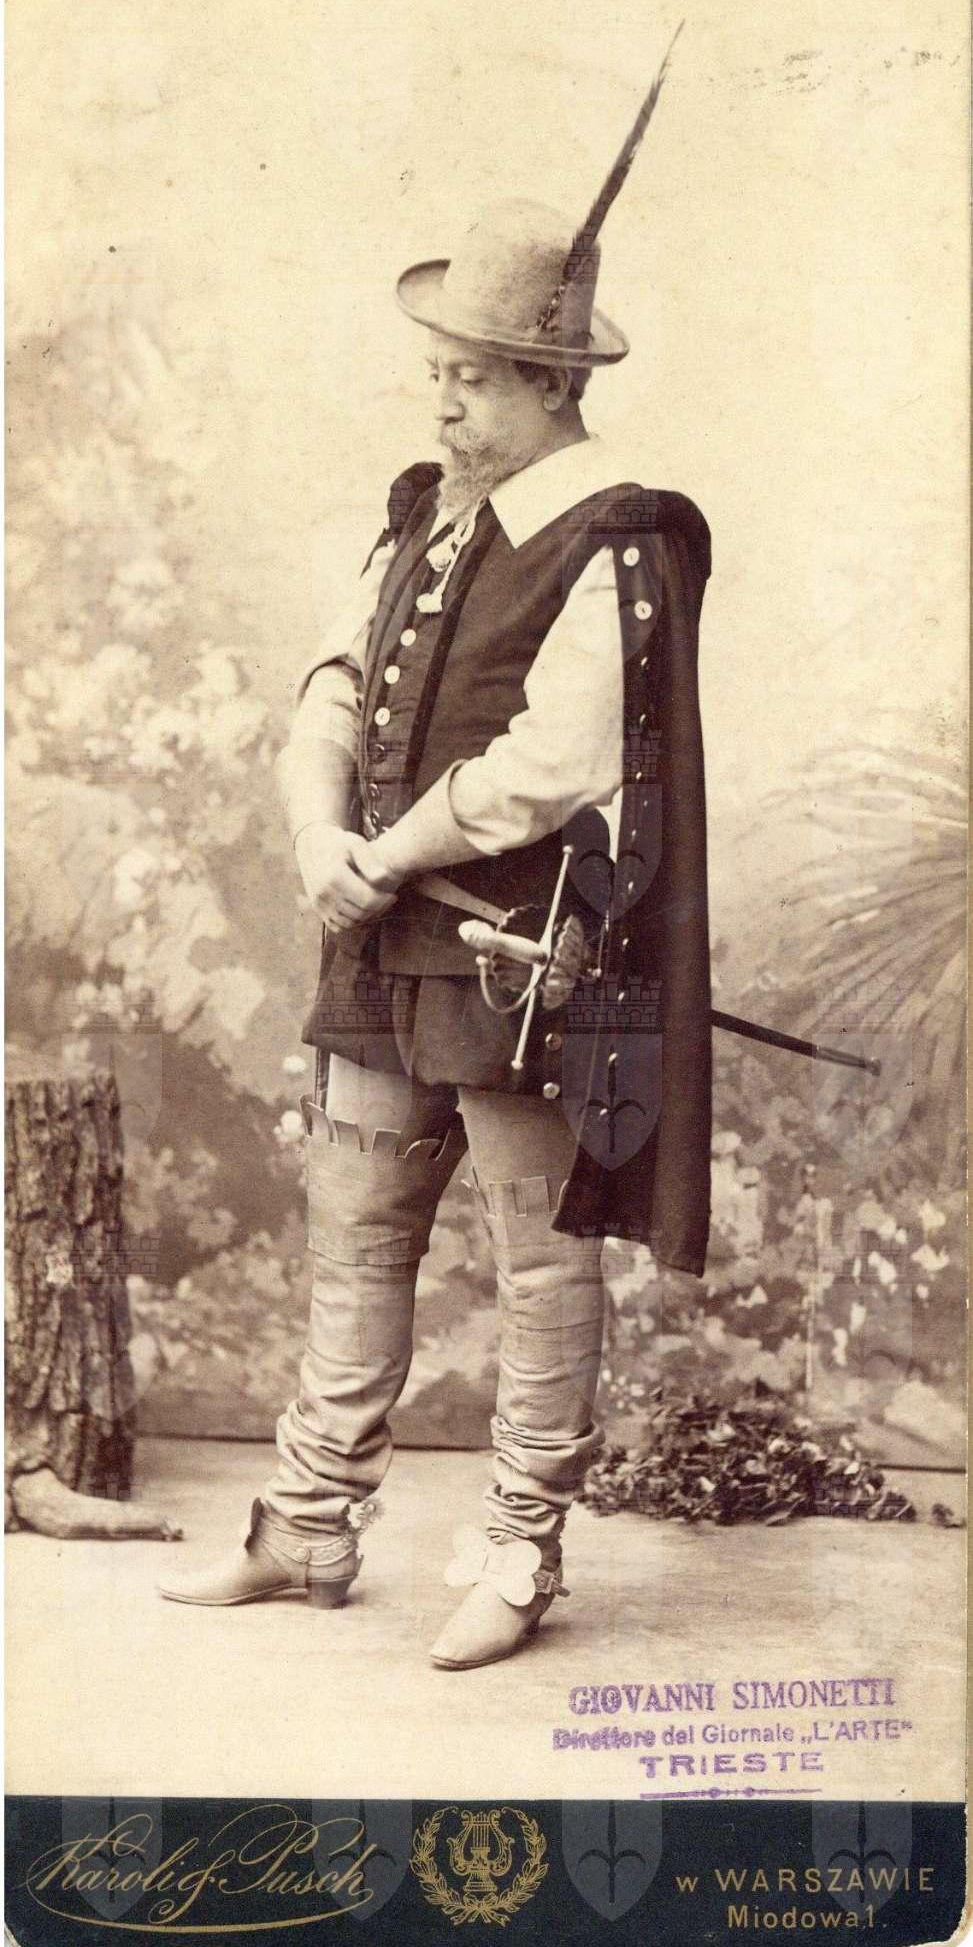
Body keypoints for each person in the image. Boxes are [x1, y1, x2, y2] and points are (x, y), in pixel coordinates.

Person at [158, 195, 713, 1669]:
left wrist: (387, 856)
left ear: (551, 383)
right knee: (354, 1236)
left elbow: (554, 762)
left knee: (539, 1262)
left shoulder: (620, 533)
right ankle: (306, 1528)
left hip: (516, 962)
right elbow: (335, 685)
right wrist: (315, 842)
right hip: (377, 947)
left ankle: (520, 1553)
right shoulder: (428, 508)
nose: (444, 402)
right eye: (439, 373)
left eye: (472, 377)